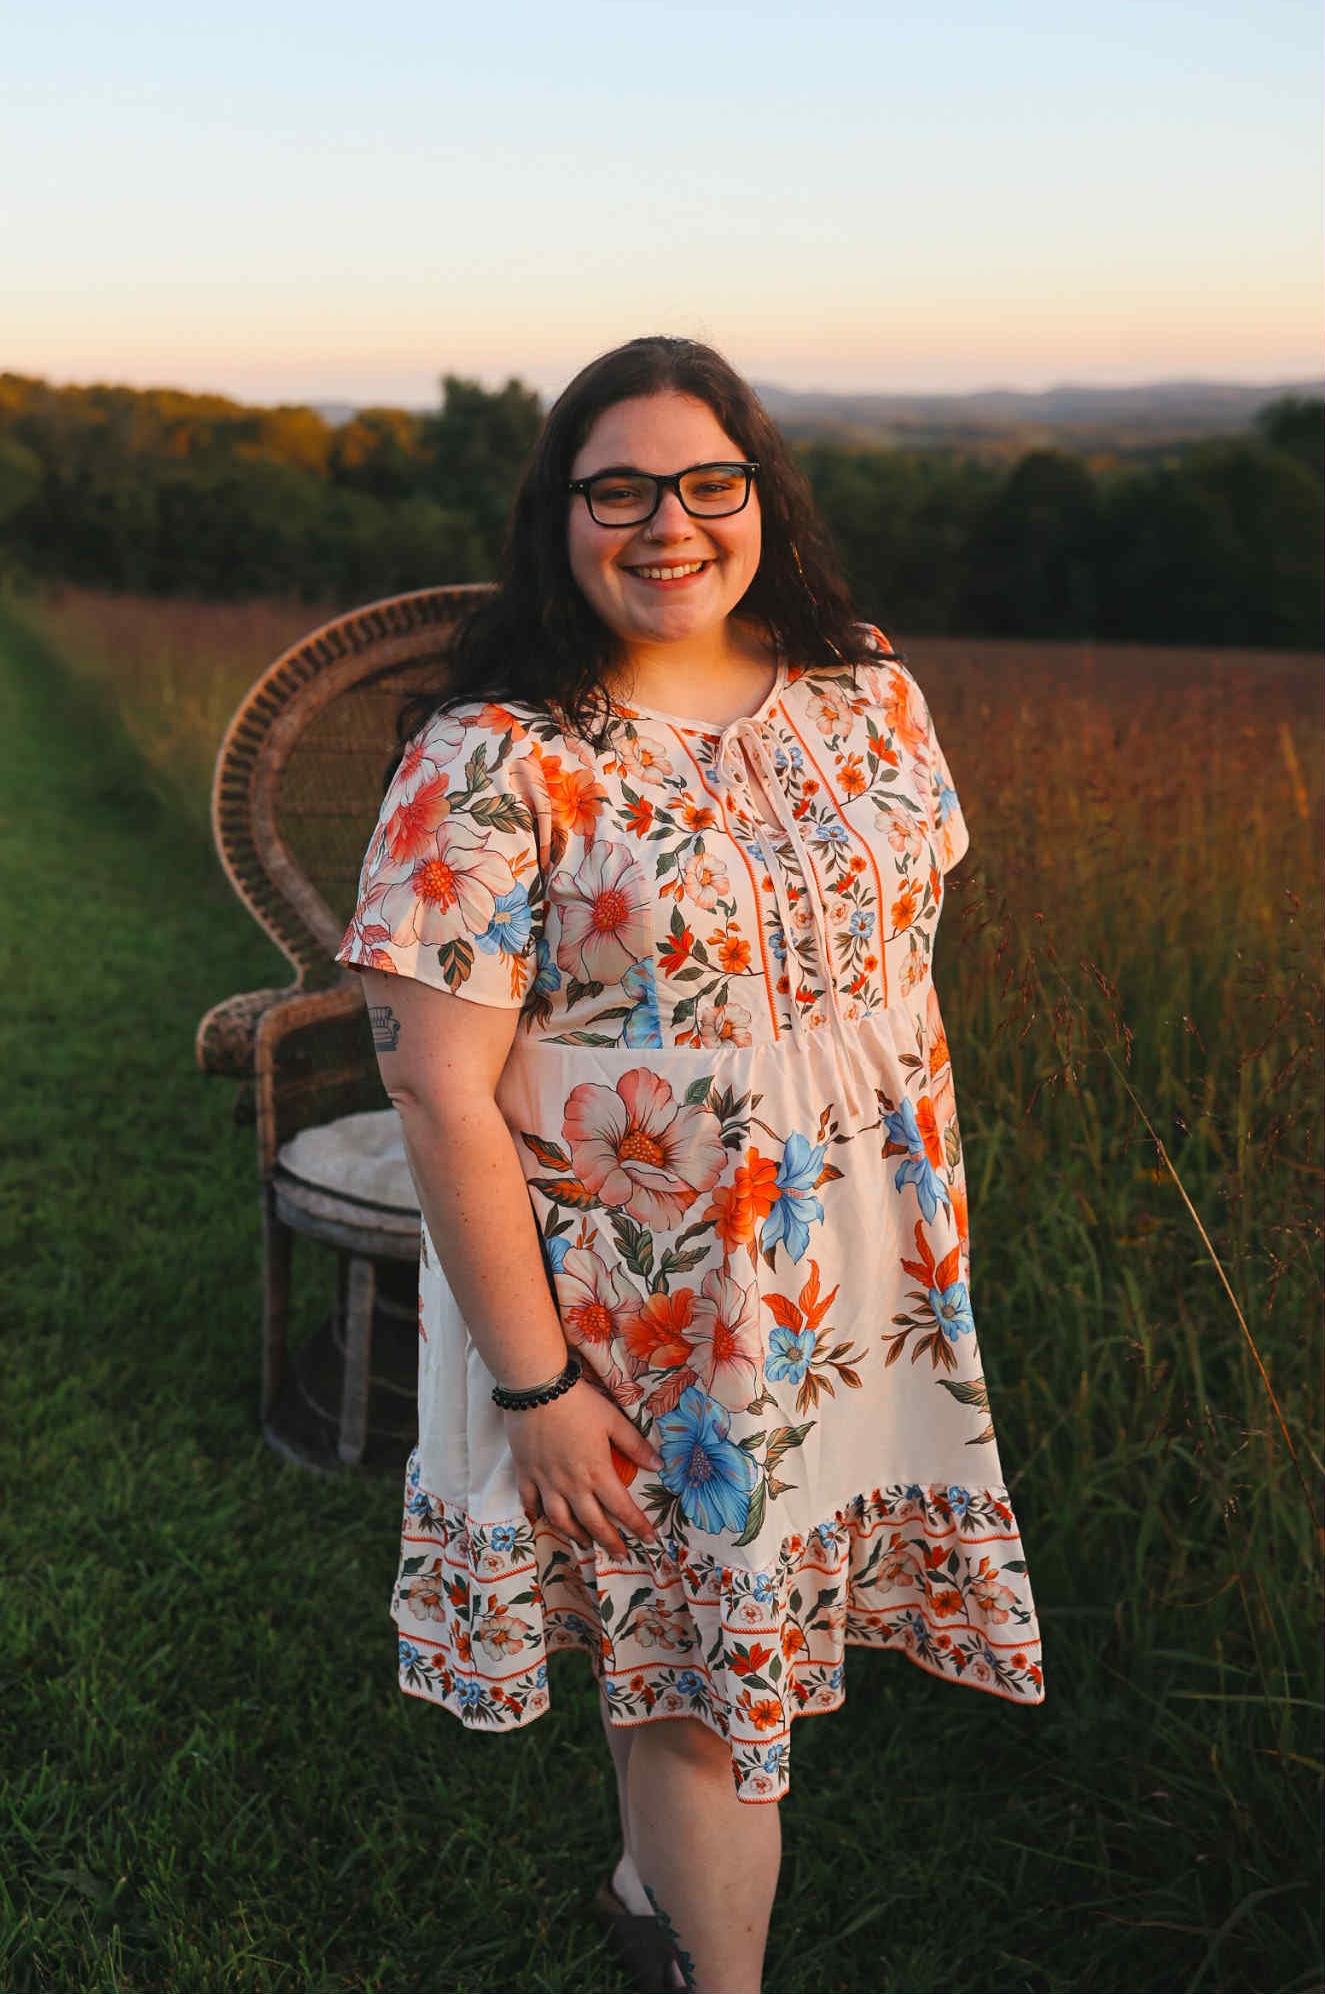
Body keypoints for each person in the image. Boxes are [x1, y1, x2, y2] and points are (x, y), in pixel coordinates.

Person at [335, 335, 1045, 1994]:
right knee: (715, 1697)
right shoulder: (493, 755)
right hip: (629, 1308)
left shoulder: (863, 685)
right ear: (557, 518)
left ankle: (647, 1903)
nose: (668, 524)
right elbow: (441, 1094)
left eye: (706, 482)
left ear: (759, 495)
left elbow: (887, 983)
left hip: (844, 1281)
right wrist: (537, 1388)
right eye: (618, 491)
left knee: (670, 1661)